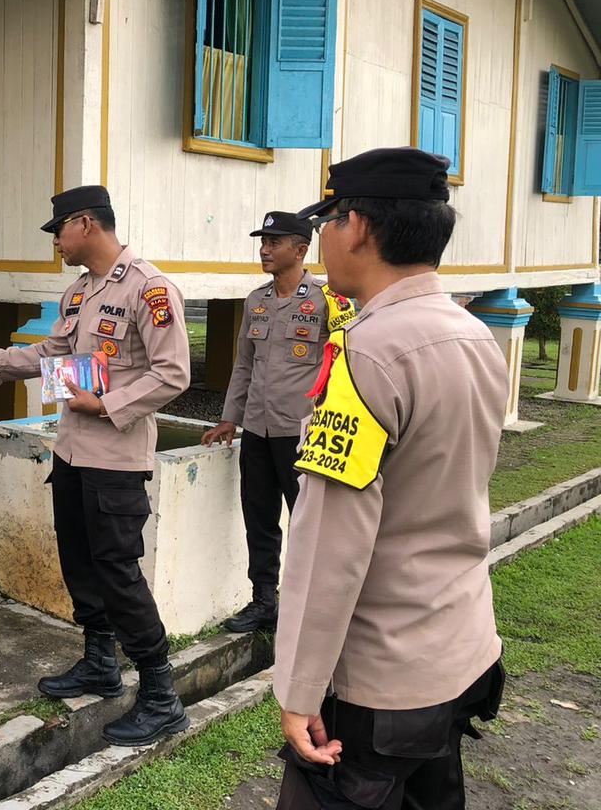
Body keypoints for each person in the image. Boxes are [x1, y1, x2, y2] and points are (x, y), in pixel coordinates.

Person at [272, 148, 506, 809]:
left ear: (357, 227)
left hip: (382, 680)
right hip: (460, 645)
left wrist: (299, 688)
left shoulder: (367, 354)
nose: (322, 239)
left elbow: (329, 546)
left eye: (326, 222)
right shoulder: (473, 335)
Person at [0, 186, 192, 747]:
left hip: (116, 461)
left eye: (59, 230)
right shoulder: (79, 291)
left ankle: (161, 695)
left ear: (85, 224)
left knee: (118, 573)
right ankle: (100, 662)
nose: (56, 242)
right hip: (70, 453)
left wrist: (107, 405)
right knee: (80, 564)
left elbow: (173, 372)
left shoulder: (150, 289)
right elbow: (51, 355)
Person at [200, 212, 355, 634]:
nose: (264, 250)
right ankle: (264, 602)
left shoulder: (331, 301)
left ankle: (311, 608)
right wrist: (230, 418)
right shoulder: (257, 300)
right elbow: (243, 366)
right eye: (263, 242)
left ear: (301, 249)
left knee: (308, 524)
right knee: (259, 517)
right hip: (258, 429)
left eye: (274, 242)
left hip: (302, 434)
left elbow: (346, 366)